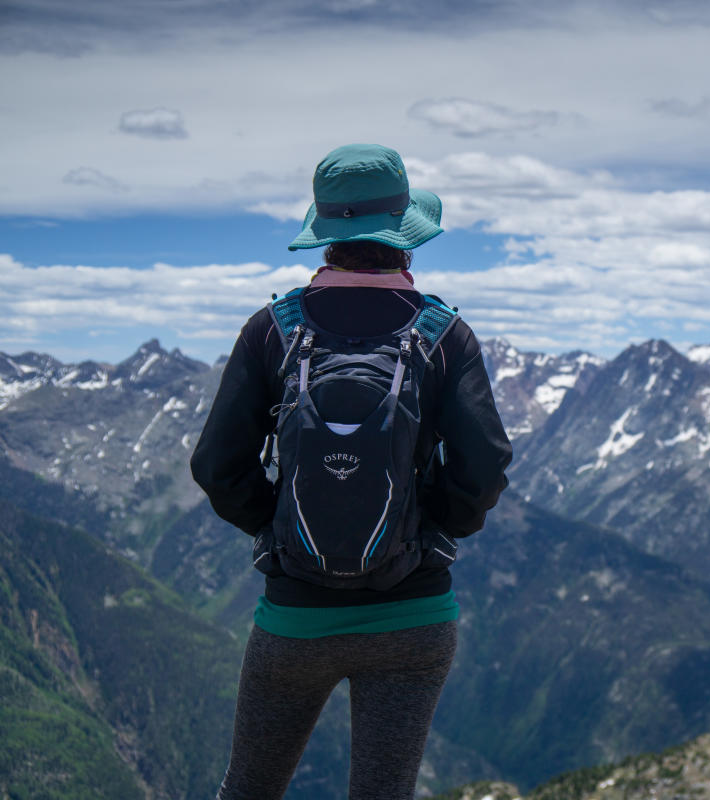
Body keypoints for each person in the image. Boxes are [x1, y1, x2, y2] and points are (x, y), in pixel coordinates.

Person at [190, 143, 512, 800]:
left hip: (296, 615)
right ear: (404, 237)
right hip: (414, 614)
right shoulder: (445, 334)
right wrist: (425, 533)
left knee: (249, 789)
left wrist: (279, 529)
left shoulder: (271, 329)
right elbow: (484, 470)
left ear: (325, 237)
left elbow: (216, 467)